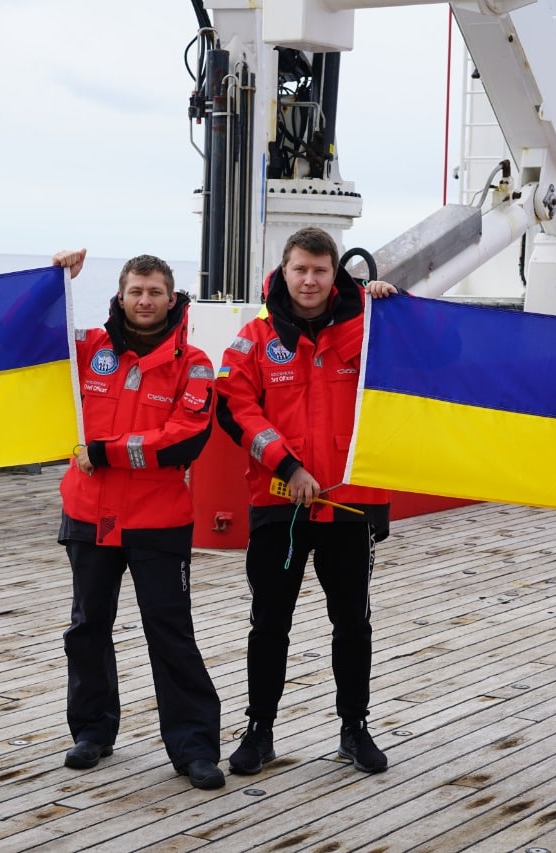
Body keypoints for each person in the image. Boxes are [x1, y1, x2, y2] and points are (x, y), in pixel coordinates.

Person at [214, 226, 397, 775]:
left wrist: (398, 305)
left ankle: (354, 729)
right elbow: (233, 407)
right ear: (284, 270)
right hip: (279, 505)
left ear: (335, 273)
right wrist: (287, 466)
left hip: (348, 504)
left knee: (353, 624)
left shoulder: (373, 325)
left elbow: (430, 362)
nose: (310, 280)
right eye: (301, 269)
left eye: (320, 270)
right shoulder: (254, 337)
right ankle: (259, 731)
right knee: (269, 623)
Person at [50, 248, 225, 790]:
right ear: (120, 296)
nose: (144, 300)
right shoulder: (86, 349)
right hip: (88, 514)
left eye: (154, 292)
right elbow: (23, 341)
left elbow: (182, 441)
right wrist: (55, 282)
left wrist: (105, 451)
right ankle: (92, 731)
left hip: (157, 521)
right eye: (136, 291)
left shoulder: (194, 364)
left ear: (171, 299)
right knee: (87, 628)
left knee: (170, 634)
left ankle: (195, 748)